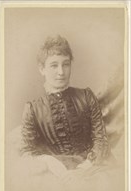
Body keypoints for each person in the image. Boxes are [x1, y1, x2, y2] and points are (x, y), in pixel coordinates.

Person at [20, 35, 113, 179]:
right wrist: (48, 162)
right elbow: (26, 152)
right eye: (54, 65)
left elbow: (101, 139)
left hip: (93, 167)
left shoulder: (87, 97)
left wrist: (85, 167)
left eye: (66, 64)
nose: (61, 72)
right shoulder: (33, 109)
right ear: (41, 69)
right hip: (56, 173)